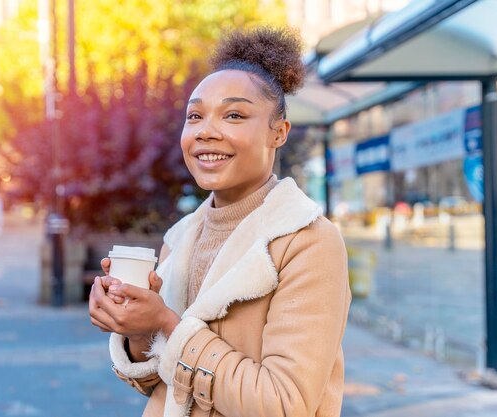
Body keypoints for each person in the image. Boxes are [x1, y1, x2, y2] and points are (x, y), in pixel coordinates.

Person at [89, 27, 351, 417]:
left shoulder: (308, 241)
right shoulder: (180, 239)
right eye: (195, 115)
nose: (206, 131)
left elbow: (285, 404)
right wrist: (137, 328)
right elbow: (162, 383)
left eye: (234, 114)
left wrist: (168, 324)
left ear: (278, 133)